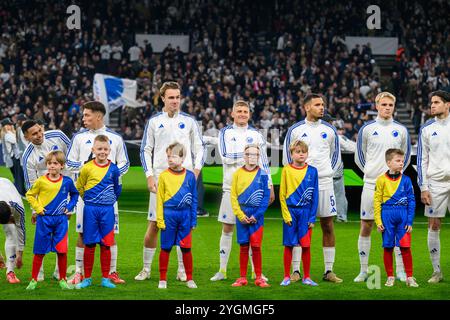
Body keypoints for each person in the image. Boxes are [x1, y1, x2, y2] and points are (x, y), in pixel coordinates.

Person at [137, 81, 205, 282]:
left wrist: (196, 171)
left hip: (184, 179)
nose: (175, 101)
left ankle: (182, 270)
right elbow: (145, 149)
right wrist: (149, 175)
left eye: (178, 97)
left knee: (183, 224)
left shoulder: (190, 121)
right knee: (154, 224)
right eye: (171, 97)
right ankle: (146, 269)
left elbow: (199, 148)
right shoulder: (154, 121)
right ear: (163, 98)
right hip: (160, 179)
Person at [210, 100, 274, 282]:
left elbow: (264, 162)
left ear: (249, 114)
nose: (242, 114)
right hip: (232, 187)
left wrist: (269, 184)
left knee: (253, 230)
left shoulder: (256, 134)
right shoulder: (225, 133)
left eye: (245, 111)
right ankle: (222, 270)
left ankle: (256, 272)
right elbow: (224, 156)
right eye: (239, 111)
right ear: (232, 114)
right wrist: (249, 155)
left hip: (255, 188)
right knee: (228, 227)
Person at [66, 101, 129, 285]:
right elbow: (69, 163)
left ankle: (111, 273)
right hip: (85, 197)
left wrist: (109, 172)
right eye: (84, 115)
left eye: (87, 115)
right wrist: (87, 166)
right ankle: (79, 273)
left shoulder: (115, 138)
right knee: (82, 234)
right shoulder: (79, 138)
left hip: (108, 198)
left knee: (110, 235)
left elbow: (124, 163)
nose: (83, 118)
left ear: (98, 116)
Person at [283, 93, 342, 283]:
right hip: (300, 184)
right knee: (300, 226)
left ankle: (328, 271)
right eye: (317, 104)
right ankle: (296, 271)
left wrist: (326, 172)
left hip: (324, 182)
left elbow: (336, 156)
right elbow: (286, 156)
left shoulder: (330, 130)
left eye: (323, 104)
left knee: (327, 224)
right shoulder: (295, 130)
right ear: (307, 107)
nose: (322, 107)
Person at [354, 92, 411, 283]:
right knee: (366, 225)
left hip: (394, 186)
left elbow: (407, 155)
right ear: (377, 106)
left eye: (390, 105)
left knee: (397, 228)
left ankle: (401, 271)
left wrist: (394, 176)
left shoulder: (401, 130)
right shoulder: (367, 129)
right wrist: (373, 173)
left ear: (394, 107)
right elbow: (359, 157)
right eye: (384, 104)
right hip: (371, 184)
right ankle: (363, 270)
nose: (387, 108)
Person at [21, 119, 72, 281]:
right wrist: (36, 210)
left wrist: (71, 203)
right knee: (41, 240)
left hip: (64, 196)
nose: (39, 135)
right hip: (45, 205)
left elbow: (73, 158)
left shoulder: (58, 136)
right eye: (33, 134)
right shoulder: (28, 158)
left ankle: (59, 272)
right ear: (26, 137)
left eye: (39, 130)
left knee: (62, 238)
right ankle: (39, 273)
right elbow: (31, 187)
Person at [25, 151, 79, 290]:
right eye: (49, 163)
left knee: (62, 251)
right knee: (39, 251)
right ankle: (33, 280)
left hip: (61, 221)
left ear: (61, 166)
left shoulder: (67, 181)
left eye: (55, 163)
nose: (51, 166)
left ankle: (62, 279)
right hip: (44, 220)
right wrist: (38, 208)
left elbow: (75, 194)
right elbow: (30, 195)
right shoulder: (41, 181)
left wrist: (70, 206)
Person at [74, 135, 122, 289]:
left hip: (107, 210)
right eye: (99, 149)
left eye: (105, 149)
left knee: (106, 244)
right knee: (89, 244)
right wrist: (89, 199)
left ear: (109, 150)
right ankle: (87, 278)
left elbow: (118, 188)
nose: (102, 152)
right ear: (93, 150)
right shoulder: (87, 167)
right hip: (91, 209)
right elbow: (79, 186)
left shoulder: (114, 169)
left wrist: (107, 200)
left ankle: (105, 278)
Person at [417, 90, 450, 284]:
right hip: (435, 183)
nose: (432, 105)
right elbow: (422, 159)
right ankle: (436, 271)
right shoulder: (427, 128)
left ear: (447, 105)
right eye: (431, 102)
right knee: (434, 224)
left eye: (437, 102)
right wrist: (423, 187)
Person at [156, 142, 198, 289]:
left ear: (182, 158)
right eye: (168, 157)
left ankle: (190, 278)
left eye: (173, 156)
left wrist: (193, 219)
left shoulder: (191, 176)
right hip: (169, 215)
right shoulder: (163, 176)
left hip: (185, 216)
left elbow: (194, 199)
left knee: (186, 248)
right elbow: (159, 199)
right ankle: (162, 279)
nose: (170, 159)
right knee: (166, 247)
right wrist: (160, 219)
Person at [374, 149, 418, 287]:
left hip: (403, 216)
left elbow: (411, 200)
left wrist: (409, 220)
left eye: (402, 161)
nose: (401, 163)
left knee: (405, 247)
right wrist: (378, 221)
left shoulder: (406, 180)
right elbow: (376, 201)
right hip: (387, 216)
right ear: (388, 163)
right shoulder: (381, 180)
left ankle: (409, 277)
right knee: (388, 247)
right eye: (397, 161)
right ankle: (390, 276)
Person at [230, 144, 270, 288]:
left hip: (256, 217)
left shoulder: (264, 174)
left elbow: (266, 198)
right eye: (249, 154)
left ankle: (259, 277)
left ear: (259, 157)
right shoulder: (237, 174)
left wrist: (257, 215)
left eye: (255, 155)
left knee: (256, 246)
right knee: (243, 246)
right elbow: (233, 196)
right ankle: (242, 278)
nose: (252, 157)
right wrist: (240, 215)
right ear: (244, 156)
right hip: (242, 216)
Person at [279, 140, 319, 287]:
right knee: (289, 245)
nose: (301, 154)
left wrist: (312, 217)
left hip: (305, 213)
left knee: (306, 246)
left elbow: (315, 196)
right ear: (291, 154)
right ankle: (286, 276)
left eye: (304, 152)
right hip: (290, 211)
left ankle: (307, 277)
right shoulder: (286, 170)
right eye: (298, 152)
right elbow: (282, 194)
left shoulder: (313, 171)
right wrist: (286, 214)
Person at [322, 114, 356, 223]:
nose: (332, 124)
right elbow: (351, 147)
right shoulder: (335, 135)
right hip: (334, 169)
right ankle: (341, 217)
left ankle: (314, 216)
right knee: (339, 194)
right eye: (330, 122)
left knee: (319, 193)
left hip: (322, 169)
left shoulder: (317, 135)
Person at [0, 178, 26, 284]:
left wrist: (20, 253)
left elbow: (21, 230)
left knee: (11, 230)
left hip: (6, 186)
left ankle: (10, 271)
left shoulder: (18, 206)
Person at [1, 118, 25, 196]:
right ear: (4, 126)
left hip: (12, 158)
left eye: (10, 124)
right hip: (14, 158)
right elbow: (16, 140)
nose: (10, 126)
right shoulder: (7, 134)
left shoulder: (7, 133)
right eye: (7, 125)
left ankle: (20, 191)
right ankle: (20, 192)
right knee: (18, 176)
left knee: (18, 176)